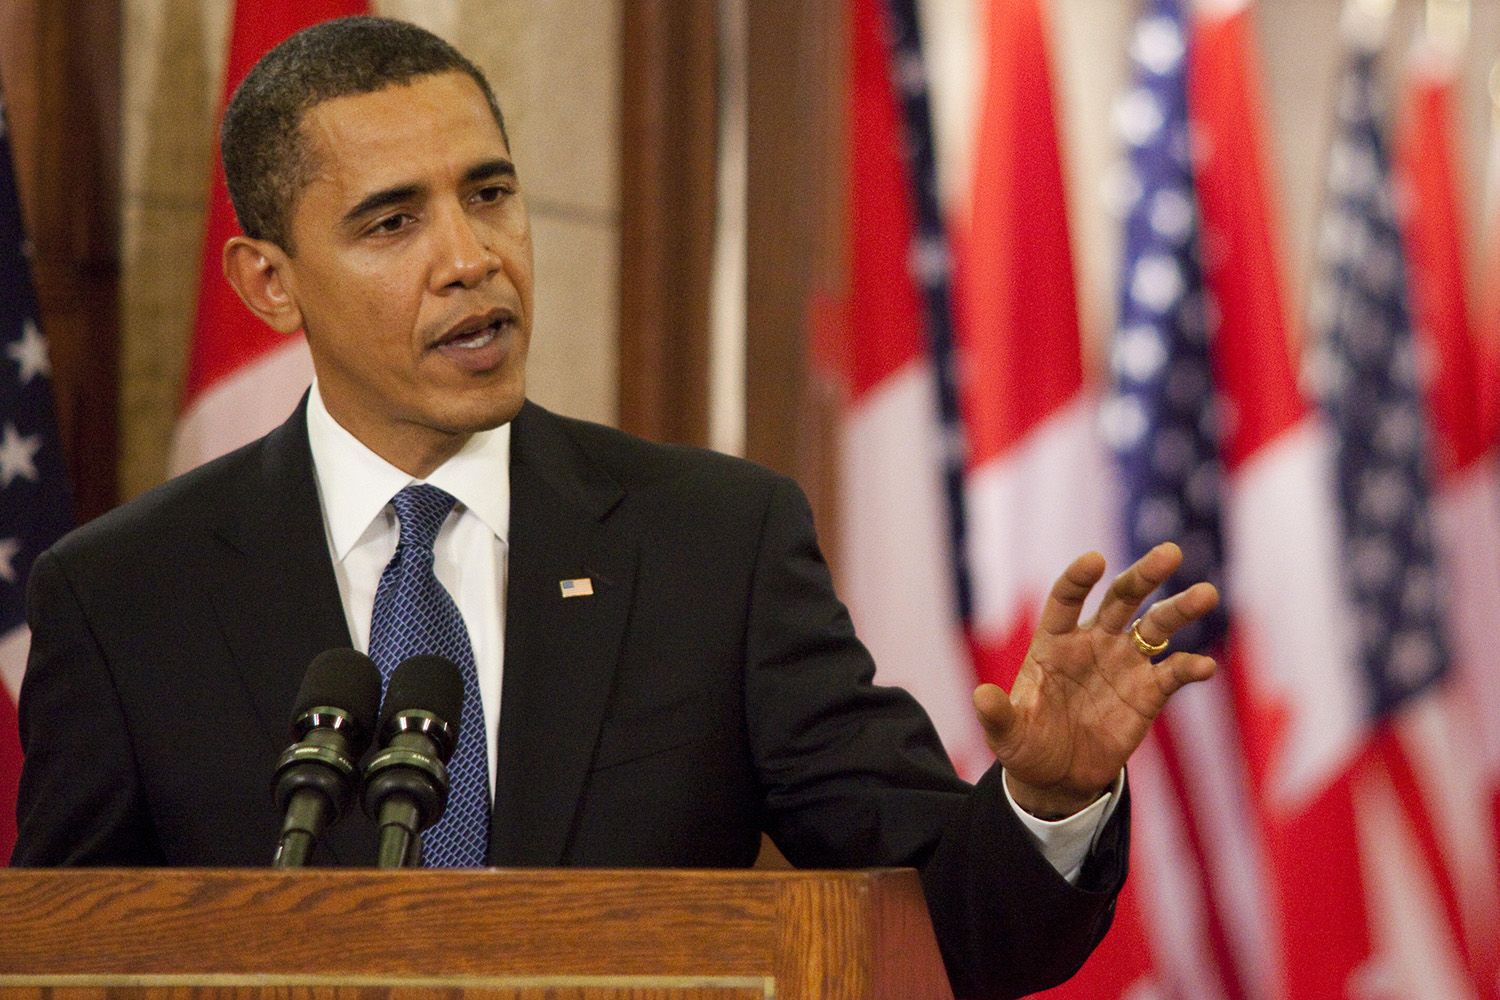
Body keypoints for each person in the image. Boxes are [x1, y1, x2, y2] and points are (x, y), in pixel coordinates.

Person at [11, 16, 1219, 1000]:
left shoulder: (713, 544)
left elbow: (963, 929)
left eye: (489, 194)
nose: (470, 256)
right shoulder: (125, 595)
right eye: (394, 221)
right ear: (270, 282)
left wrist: (1047, 801)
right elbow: (64, 960)